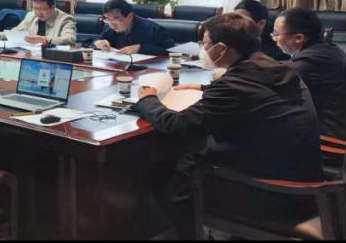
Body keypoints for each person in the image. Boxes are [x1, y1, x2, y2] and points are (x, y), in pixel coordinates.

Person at [135, 13, 322, 239]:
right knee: (195, 152)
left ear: (221, 49)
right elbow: (254, 96)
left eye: (205, 43)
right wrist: (205, 90)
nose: (202, 49)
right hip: (304, 182)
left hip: (272, 194)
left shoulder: (234, 85)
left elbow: (176, 125)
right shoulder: (280, 69)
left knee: (164, 171)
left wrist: (148, 98)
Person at [274, 7, 346, 140]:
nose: (275, 40)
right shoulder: (326, 50)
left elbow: (274, 79)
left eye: (276, 34)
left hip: (329, 139)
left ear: (298, 38)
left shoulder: (310, 61)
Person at [0, 0, 76, 45]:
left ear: (53, 7)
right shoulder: (31, 15)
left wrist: (43, 39)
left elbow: (69, 39)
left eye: (42, 9)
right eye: (35, 8)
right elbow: (16, 32)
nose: (38, 12)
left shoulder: (65, 19)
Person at [93, 0, 173, 55]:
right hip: (117, 66)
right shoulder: (109, 26)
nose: (112, 24)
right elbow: (96, 40)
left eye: (116, 20)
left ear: (130, 16)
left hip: (147, 69)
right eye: (107, 19)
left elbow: (172, 50)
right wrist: (97, 43)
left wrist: (141, 47)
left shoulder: (153, 29)